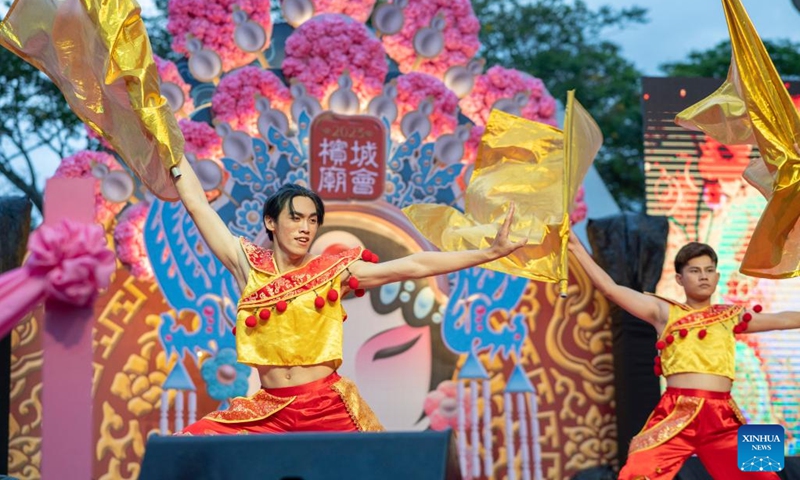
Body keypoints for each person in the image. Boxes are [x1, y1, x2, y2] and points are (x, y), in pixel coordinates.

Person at [170, 156, 527, 434]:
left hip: (326, 406)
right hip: (266, 410)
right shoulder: (247, 264)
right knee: (188, 450)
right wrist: (166, 139)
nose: (305, 227)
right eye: (295, 218)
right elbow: (198, 206)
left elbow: (413, 266)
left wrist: (489, 253)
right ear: (270, 222)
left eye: (313, 220)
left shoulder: (333, 270)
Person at [568, 233, 800, 479]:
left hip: (723, 416)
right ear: (679, 279)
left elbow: (785, 319)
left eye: (709, 270)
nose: (703, 276)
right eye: (695, 271)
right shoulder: (664, 312)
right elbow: (611, 290)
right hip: (676, 411)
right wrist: (576, 248)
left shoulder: (731, 315)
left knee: (764, 475)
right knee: (637, 471)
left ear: (717, 277)